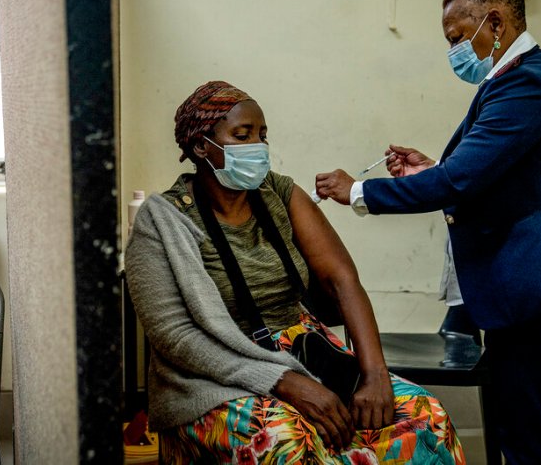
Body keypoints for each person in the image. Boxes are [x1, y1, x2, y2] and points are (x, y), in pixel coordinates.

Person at [315, 0, 541, 464]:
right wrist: (429, 168)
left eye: (457, 38)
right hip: (522, 281)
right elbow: (490, 173)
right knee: (515, 419)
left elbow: (461, 182)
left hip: (536, 281)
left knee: (528, 434)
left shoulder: (528, 86)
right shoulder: (510, 80)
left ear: (494, 22)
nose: (453, 50)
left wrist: (360, 191)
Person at [125, 81, 465, 464]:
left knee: (425, 416)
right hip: (217, 374)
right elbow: (177, 339)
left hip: (302, 352)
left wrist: (375, 375)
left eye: (262, 135)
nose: (258, 146)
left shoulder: (279, 195)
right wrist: (283, 382)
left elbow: (342, 280)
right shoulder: (163, 222)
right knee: (288, 441)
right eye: (242, 135)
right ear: (202, 146)